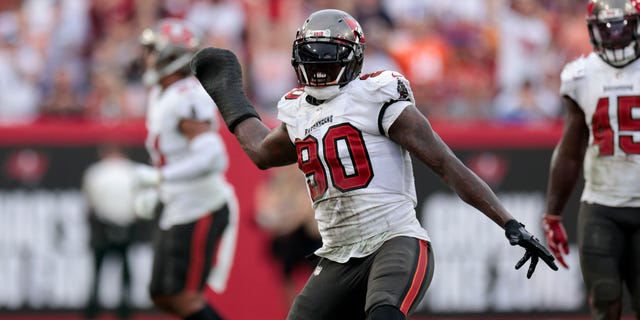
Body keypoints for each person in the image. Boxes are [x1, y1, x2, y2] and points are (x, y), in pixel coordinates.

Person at [191, 9, 557, 320]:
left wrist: (509, 222)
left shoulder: (376, 95)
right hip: (337, 256)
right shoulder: (298, 111)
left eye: (327, 54)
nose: (318, 64)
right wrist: (229, 93)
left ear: (353, 57)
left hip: (394, 241)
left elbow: (446, 164)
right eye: (312, 54)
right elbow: (261, 152)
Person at [133, 18, 238, 320]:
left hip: (201, 206)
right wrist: (161, 189)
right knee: (162, 294)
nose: (146, 57)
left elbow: (214, 157)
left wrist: (159, 178)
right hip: (179, 203)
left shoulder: (187, 96)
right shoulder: (162, 92)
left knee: (186, 297)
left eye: (152, 51)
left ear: (170, 55)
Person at [542, 1, 640, 319]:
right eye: (607, 28)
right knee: (605, 300)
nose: (615, 36)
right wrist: (553, 214)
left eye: (622, 26)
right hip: (601, 207)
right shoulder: (580, 75)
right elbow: (570, 150)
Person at [82, 144, 138, 320]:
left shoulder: (95, 172)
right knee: (125, 268)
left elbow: (90, 203)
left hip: (102, 225)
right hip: (127, 224)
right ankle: (125, 310)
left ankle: (93, 309)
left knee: (98, 270)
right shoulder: (134, 171)